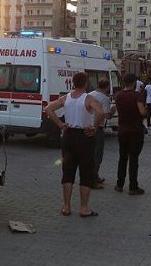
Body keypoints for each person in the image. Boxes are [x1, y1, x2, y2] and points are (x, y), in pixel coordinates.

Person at [45, 72, 104, 217]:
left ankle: (66, 206)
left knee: (68, 172)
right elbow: (101, 113)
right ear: (85, 83)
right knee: (86, 173)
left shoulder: (66, 98)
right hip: (85, 136)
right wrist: (95, 127)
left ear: (73, 83)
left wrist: (60, 124)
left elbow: (48, 109)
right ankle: (84, 208)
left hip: (68, 135)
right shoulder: (89, 99)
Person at [114, 73, 148, 195]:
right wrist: (146, 110)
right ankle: (133, 187)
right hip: (135, 131)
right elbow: (142, 112)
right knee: (133, 159)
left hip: (122, 130)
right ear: (134, 82)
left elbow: (113, 109)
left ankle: (119, 184)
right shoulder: (137, 96)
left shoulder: (118, 95)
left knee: (122, 158)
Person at [88, 78, 114, 189]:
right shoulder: (105, 99)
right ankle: (93, 179)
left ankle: (94, 176)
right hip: (98, 128)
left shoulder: (89, 95)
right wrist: (113, 110)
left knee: (90, 154)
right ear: (107, 87)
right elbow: (107, 115)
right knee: (97, 155)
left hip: (87, 127)